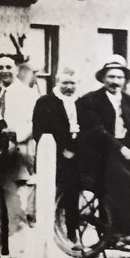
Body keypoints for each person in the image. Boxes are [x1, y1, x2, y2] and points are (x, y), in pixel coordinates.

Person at [76, 55, 130, 248]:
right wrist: (122, 149)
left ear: (124, 81)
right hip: (100, 155)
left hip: (127, 152)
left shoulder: (128, 101)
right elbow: (98, 131)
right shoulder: (89, 100)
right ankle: (121, 234)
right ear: (102, 78)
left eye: (119, 77)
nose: (115, 82)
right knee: (127, 181)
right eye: (111, 77)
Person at [0, 53, 38, 258]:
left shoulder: (28, 95)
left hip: (16, 154)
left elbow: (34, 123)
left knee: (15, 207)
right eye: (0, 67)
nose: (4, 70)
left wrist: (17, 133)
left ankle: (16, 256)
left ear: (16, 69)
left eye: (8, 66)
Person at [32, 68, 82, 240]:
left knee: (79, 187)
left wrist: (76, 148)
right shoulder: (45, 102)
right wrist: (64, 146)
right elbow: (40, 131)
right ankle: (51, 233)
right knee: (52, 193)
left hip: (76, 157)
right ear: (57, 83)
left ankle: (74, 230)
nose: (69, 87)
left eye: (72, 83)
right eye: (65, 83)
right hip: (52, 156)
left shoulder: (81, 103)